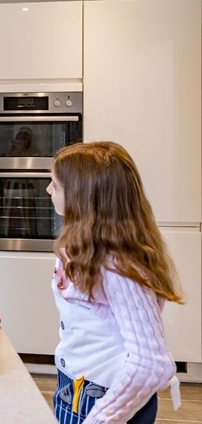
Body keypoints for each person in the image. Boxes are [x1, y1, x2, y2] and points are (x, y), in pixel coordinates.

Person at [47, 141, 183, 424]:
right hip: (76, 384)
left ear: (84, 198)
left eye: (55, 185)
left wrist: (102, 417)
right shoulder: (85, 248)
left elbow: (151, 364)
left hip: (102, 397)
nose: (49, 190)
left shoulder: (119, 267)